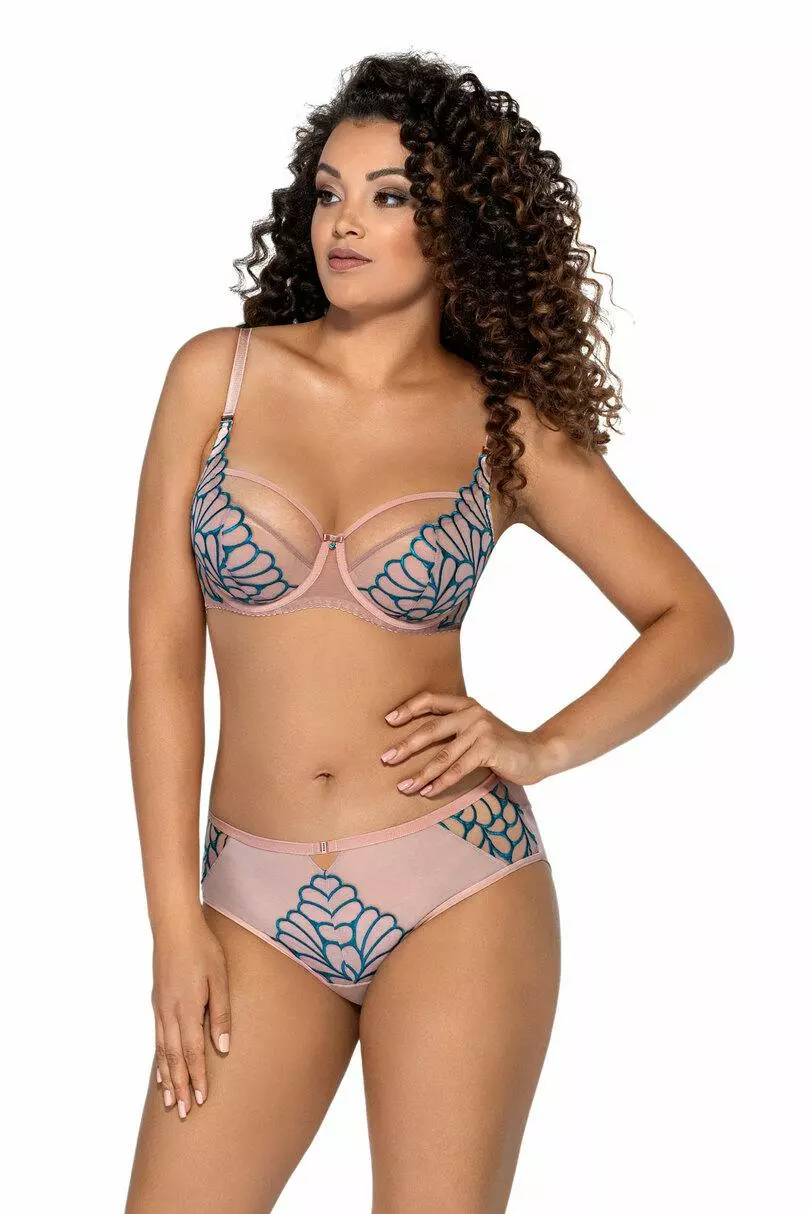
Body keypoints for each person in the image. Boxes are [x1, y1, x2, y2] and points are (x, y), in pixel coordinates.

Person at [125, 51, 734, 1213]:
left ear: (458, 227)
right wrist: (171, 927)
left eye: (389, 195)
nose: (345, 221)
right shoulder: (217, 377)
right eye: (329, 191)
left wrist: (539, 745)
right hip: (249, 897)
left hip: (460, 884)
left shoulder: (503, 427)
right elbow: (160, 663)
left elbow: (691, 619)